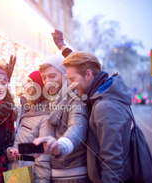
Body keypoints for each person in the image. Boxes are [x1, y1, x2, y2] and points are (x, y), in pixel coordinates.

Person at [37, 29, 134, 183]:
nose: (71, 84)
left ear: (89, 75)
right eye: (44, 78)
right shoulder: (99, 93)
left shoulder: (104, 106)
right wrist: (62, 46)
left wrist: (60, 145)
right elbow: (81, 67)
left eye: (71, 79)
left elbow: (112, 164)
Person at [35, 55, 90, 183]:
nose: (48, 82)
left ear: (65, 75)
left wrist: (61, 145)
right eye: (44, 78)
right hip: (55, 175)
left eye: (52, 76)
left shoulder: (75, 100)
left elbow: (78, 126)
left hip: (75, 176)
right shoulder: (50, 102)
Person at [7, 70, 54, 183]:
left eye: (29, 81)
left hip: (29, 175)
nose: (24, 85)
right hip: (14, 172)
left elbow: (44, 157)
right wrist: (10, 152)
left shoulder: (45, 117)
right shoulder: (22, 111)